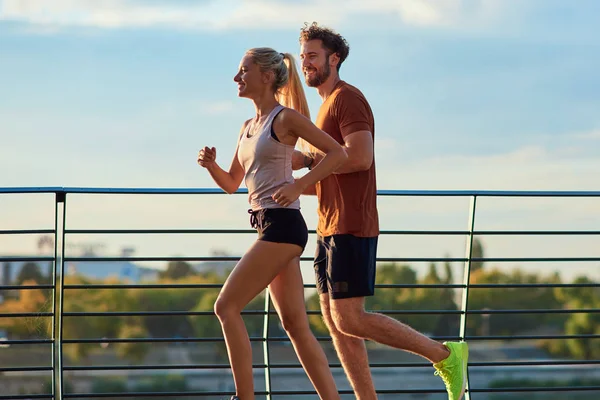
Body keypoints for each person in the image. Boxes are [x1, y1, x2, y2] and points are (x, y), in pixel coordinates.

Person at [291, 22, 469, 400]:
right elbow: (327, 175)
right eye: (303, 55)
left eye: (313, 55)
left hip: (352, 223)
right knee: (337, 324)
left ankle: (446, 354)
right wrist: (287, 186)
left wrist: (309, 166)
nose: (305, 62)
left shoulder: (346, 99)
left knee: (350, 318)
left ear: (334, 59)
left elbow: (360, 156)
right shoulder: (324, 107)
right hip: (328, 226)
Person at [197, 47, 347, 400]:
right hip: (266, 224)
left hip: (283, 226)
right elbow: (233, 183)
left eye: (243, 71)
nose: (236, 78)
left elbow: (337, 153)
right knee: (295, 325)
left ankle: (244, 398)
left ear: (266, 76)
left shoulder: (285, 119)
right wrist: (211, 167)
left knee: (225, 306)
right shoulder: (247, 127)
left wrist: (299, 184)